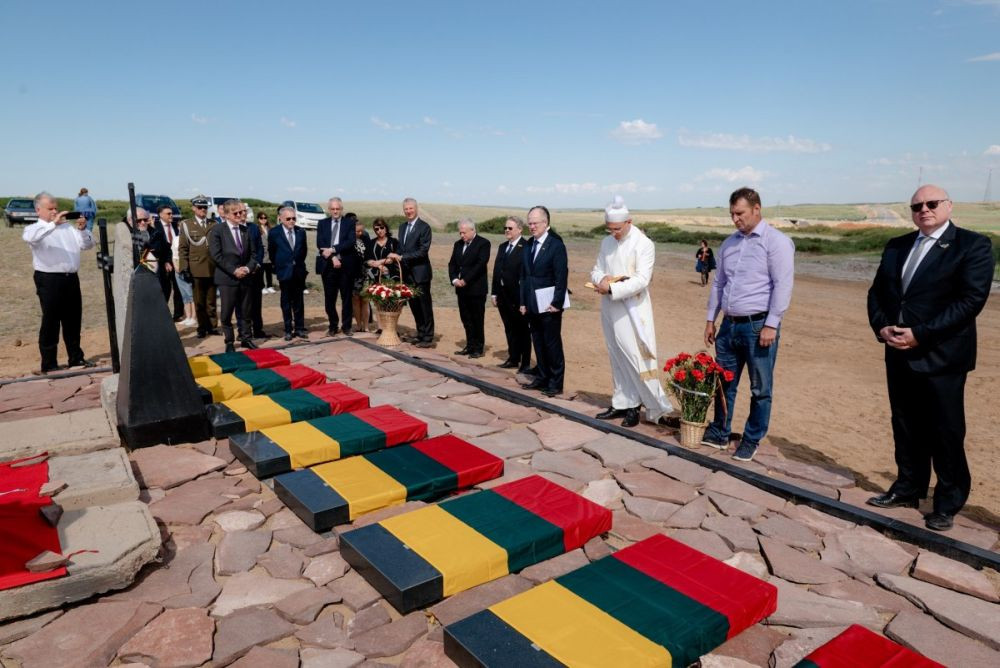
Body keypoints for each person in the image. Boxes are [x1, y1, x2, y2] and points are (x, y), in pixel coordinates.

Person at [865, 185, 994, 532]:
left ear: (949, 206)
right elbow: (878, 293)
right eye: (917, 206)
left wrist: (920, 334)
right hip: (898, 352)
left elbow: (971, 301)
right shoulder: (897, 246)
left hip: (943, 356)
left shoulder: (973, 245)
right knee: (905, 424)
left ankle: (947, 503)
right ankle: (908, 488)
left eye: (932, 203)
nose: (924, 209)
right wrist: (882, 327)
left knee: (945, 431)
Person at [702, 187, 795, 462]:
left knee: (760, 388)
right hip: (728, 326)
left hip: (758, 327)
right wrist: (711, 319)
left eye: (740, 213)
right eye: (732, 214)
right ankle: (719, 432)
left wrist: (772, 324)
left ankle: (751, 439)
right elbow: (719, 284)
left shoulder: (777, 242)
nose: (735, 219)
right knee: (724, 383)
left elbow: (782, 285)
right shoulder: (729, 244)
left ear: (756, 209)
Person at [590, 196, 674, 427]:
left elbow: (642, 279)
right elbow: (596, 269)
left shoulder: (644, 244)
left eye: (617, 229)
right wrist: (601, 279)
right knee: (615, 354)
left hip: (633, 309)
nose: (613, 233)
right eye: (609, 229)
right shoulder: (606, 242)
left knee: (634, 356)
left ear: (629, 222)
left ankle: (641, 406)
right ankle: (621, 402)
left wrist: (612, 288)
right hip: (609, 305)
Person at [23, 191, 96, 373]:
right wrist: (53, 224)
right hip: (49, 279)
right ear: (38, 210)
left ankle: (76, 358)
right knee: (51, 321)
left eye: (56, 208)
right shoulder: (34, 229)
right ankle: (49, 363)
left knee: (73, 320)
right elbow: (32, 239)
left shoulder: (67, 228)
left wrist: (82, 229)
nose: (55, 212)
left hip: (71, 278)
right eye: (50, 209)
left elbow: (87, 245)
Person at [519, 205, 568, 397]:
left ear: (545, 223)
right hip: (532, 303)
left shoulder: (556, 245)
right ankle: (542, 376)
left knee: (551, 344)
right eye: (529, 223)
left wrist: (557, 303)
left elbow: (561, 276)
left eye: (535, 223)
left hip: (549, 305)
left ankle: (555, 383)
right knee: (538, 342)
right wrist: (523, 302)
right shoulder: (528, 244)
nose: (531, 227)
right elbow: (524, 276)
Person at [209, 199, 258, 352]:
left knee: (246, 311)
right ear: (226, 214)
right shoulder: (217, 231)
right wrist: (234, 270)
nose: (239, 215)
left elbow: (253, 254)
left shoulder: (245, 230)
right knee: (227, 312)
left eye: (240, 212)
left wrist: (247, 268)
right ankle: (229, 341)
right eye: (235, 213)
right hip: (227, 278)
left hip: (245, 277)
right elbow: (216, 256)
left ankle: (246, 338)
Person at [388, 198, 435, 347]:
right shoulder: (402, 227)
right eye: (406, 209)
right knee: (415, 306)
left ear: (416, 208)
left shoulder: (424, 227)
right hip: (407, 274)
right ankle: (420, 334)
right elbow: (401, 248)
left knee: (425, 306)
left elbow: (423, 251)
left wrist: (402, 257)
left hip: (421, 274)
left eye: (411, 208)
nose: (408, 211)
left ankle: (428, 337)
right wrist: (394, 257)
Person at [491, 216, 531, 372]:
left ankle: (525, 362)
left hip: (518, 296)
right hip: (503, 295)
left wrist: (524, 300)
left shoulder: (526, 247)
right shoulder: (503, 247)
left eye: (510, 228)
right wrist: (494, 293)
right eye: (505, 228)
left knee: (522, 329)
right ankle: (513, 358)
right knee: (509, 328)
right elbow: (497, 271)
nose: (507, 230)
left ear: (520, 229)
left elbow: (527, 275)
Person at [448, 219, 491, 358]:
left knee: (477, 319)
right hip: (461, 289)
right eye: (460, 232)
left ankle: (478, 348)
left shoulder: (483, 243)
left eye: (464, 232)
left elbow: (480, 265)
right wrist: (454, 279)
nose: (462, 235)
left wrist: (465, 280)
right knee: (466, 318)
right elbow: (452, 264)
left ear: (473, 230)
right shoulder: (458, 244)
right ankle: (470, 345)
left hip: (476, 289)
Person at [178, 196, 219, 338]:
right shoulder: (187, 225)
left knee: (211, 301)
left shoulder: (214, 224)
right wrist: (184, 268)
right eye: (200, 207)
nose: (203, 210)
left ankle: (212, 326)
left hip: (212, 267)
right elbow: (183, 249)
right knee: (199, 302)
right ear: (193, 208)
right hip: (196, 268)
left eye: (205, 207)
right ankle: (202, 327)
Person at [316, 197, 357, 336]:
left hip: (346, 266)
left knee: (346, 298)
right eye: (332, 209)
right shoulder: (322, 223)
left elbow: (350, 242)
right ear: (329, 209)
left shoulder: (349, 223)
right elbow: (320, 244)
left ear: (341, 209)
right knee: (329, 299)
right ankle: (333, 326)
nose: (335, 211)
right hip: (328, 266)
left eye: (337, 209)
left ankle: (346, 327)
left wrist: (333, 249)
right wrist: (333, 257)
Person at [269, 206, 309, 342]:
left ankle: (299, 328)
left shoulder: (300, 232)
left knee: (298, 301)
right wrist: (280, 265)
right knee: (286, 301)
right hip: (284, 272)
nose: (292, 221)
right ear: (280, 219)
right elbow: (272, 252)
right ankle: (287, 329)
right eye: (288, 219)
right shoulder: (274, 233)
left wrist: (297, 263)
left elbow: (303, 251)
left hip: (298, 272)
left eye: (294, 218)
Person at [152, 205, 185, 321]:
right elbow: (156, 247)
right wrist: (165, 261)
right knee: (165, 289)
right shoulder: (155, 226)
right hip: (162, 263)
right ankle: (162, 315)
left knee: (179, 288)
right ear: (160, 215)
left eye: (172, 213)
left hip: (177, 261)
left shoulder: (176, 226)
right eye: (168, 213)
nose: (171, 216)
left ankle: (178, 314)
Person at [350, 217, 370, 333]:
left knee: (366, 300)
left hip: (365, 273)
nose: (360, 233)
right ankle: (358, 325)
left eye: (362, 231)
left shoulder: (366, 239)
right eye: (357, 231)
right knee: (356, 300)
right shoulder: (349, 241)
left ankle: (366, 326)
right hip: (354, 274)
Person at [257, 212, 275, 294]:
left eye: (265, 218)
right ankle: (262, 287)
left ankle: (270, 286)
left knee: (269, 271)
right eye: (261, 218)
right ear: (258, 219)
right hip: (261, 253)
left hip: (270, 254)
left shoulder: (270, 228)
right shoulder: (257, 228)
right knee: (261, 272)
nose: (263, 219)